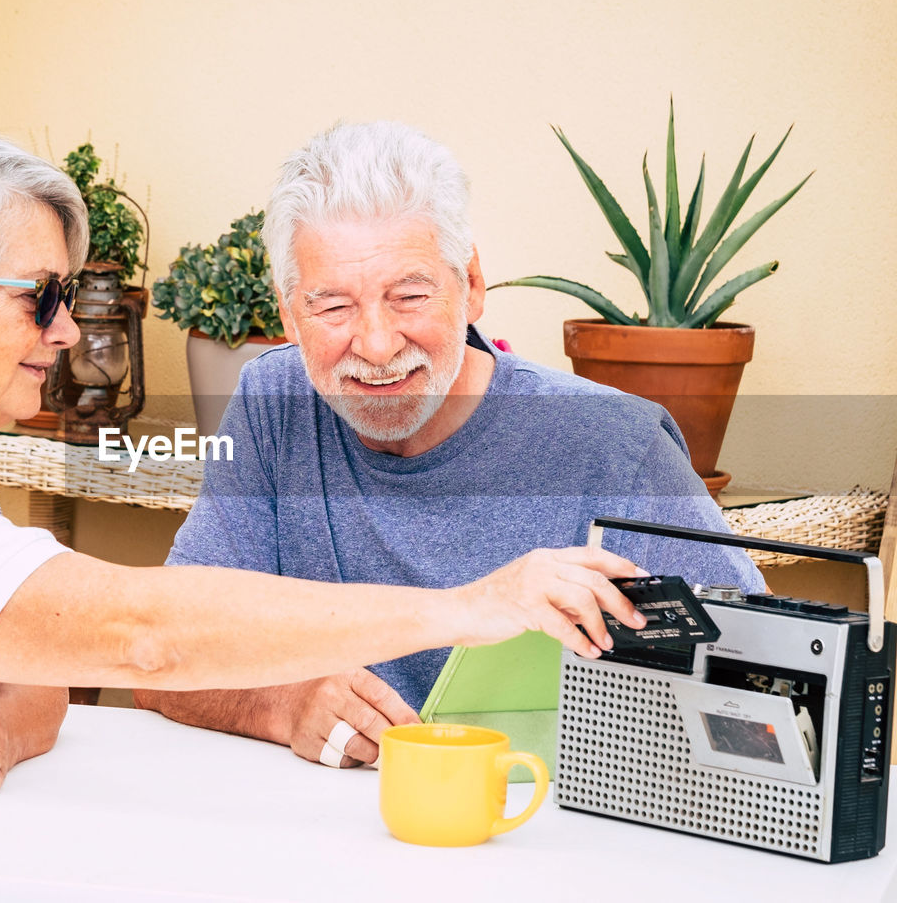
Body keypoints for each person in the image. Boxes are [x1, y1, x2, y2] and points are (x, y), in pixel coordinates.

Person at [0, 111, 651, 902]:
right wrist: (473, 604)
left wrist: (20, 712)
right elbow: (141, 636)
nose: (68, 332)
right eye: (39, 297)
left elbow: (43, 661)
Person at [135, 121, 763, 769]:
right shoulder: (274, 402)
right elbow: (164, 655)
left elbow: (764, 690)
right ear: (290, 316)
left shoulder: (615, 444)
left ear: (472, 285)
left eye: (409, 296)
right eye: (333, 309)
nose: (377, 345)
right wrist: (284, 704)